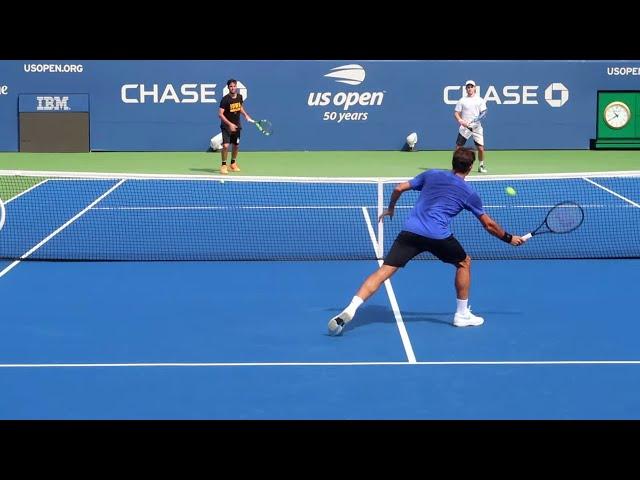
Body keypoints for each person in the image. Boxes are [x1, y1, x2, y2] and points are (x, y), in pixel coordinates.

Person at [327, 148, 523, 336]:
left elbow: (398, 188)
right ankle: (462, 314)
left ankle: (351, 308)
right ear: (470, 167)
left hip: (411, 232)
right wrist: (509, 238)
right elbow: (488, 225)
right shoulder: (469, 193)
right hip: (438, 236)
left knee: (384, 271)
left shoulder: (431, 174)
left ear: (453, 163)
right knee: (464, 262)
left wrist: (391, 208)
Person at [218, 79, 254, 174]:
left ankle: (233, 163)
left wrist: (246, 115)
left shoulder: (239, 97)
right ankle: (223, 165)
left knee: (236, 145)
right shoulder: (225, 99)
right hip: (226, 126)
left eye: (234, 86)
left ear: (236, 86)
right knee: (225, 146)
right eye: (231, 86)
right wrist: (230, 124)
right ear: (228, 87)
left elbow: (240, 107)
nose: (233, 88)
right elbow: (220, 114)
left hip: (237, 125)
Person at [454, 80, 488, 173]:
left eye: (471, 87)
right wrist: (461, 121)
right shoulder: (462, 100)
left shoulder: (480, 100)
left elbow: (484, 112)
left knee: (480, 148)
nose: (470, 88)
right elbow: (456, 113)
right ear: (466, 89)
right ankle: (455, 167)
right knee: (458, 148)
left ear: (475, 88)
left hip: (477, 127)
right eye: (468, 87)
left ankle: (481, 166)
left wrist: (479, 117)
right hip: (465, 128)